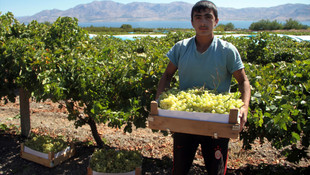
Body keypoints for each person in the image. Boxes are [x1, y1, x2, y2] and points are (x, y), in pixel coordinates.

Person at [155, 1, 251, 175]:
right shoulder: (181, 48)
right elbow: (167, 75)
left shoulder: (227, 50)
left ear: (216, 21)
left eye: (208, 17)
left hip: (217, 122)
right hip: (184, 121)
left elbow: (243, 81)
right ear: (192, 22)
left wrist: (244, 107)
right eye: (198, 18)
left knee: (217, 170)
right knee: (179, 170)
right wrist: (159, 102)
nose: (203, 22)